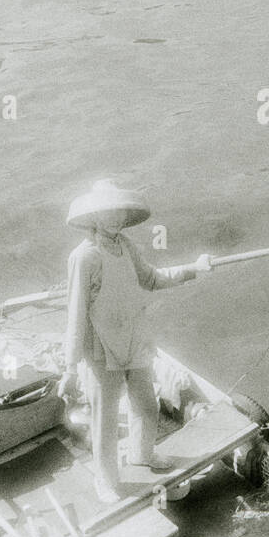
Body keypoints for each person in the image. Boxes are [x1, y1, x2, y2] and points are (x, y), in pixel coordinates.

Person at [58, 180, 211, 502]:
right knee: (106, 419)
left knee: (146, 404)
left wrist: (193, 269)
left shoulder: (126, 246)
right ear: (93, 217)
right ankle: (106, 480)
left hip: (135, 340)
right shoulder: (84, 256)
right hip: (102, 349)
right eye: (106, 212)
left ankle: (142, 454)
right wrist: (70, 367)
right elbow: (75, 312)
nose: (114, 217)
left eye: (118, 211)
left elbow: (152, 279)